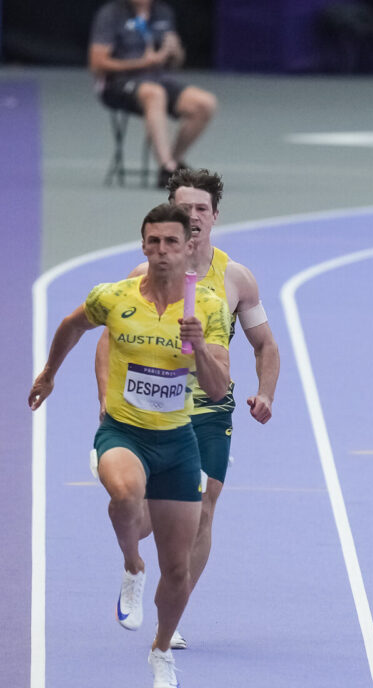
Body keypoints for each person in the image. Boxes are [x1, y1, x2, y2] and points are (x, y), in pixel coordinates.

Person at [29, 204, 231, 687]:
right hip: (123, 432)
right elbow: (73, 325)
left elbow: (219, 388)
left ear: (188, 249)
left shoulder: (208, 307)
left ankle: (162, 650)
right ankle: (132, 565)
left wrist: (199, 347)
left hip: (178, 442)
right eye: (153, 242)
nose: (161, 251)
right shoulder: (113, 297)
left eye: (171, 243)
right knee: (124, 494)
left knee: (178, 568)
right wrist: (50, 373)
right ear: (143, 246)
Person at [95, 168, 280, 649]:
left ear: (215, 216)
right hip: (149, 410)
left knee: (204, 506)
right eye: (186, 208)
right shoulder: (142, 276)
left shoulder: (237, 278)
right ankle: (132, 560)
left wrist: (266, 393)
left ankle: (170, 617)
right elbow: (108, 337)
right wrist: (105, 404)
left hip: (209, 410)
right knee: (142, 514)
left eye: (202, 209)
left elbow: (265, 345)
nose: (194, 217)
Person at [89, 0, 217, 187]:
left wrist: (175, 52)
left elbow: (174, 64)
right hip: (117, 83)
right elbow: (97, 64)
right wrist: (143, 63)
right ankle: (166, 168)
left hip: (158, 79)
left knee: (205, 103)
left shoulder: (163, 13)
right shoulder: (110, 14)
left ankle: (174, 162)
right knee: (155, 94)